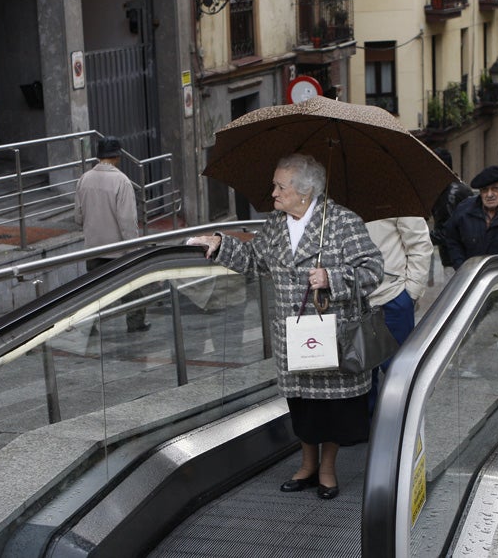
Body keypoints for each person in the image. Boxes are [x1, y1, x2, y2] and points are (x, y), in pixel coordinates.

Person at [188, 154, 383, 501]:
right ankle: (307, 465)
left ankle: (327, 469)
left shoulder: (341, 222)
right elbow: (254, 260)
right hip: (292, 336)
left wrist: (332, 277)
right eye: (275, 185)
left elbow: (373, 269)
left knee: (330, 410)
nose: (273, 193)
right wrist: (220, 244)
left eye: (280, 186)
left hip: (331, 336)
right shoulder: (277, 224)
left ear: (304, 191)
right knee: (302, 406)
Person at [73, 136, 148, 332]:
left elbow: (78, 217)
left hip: (93, 248)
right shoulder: (121, 181)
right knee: (130, 288)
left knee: (94, 291)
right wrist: (134, 248)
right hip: (117, 250)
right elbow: (127, 221)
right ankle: (135, 324)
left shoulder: (84, 179)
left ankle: (89, 328)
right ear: (117, 157)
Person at [364, 217, 433, 410]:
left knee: (399, 376)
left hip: (391, 298)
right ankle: (368, 435)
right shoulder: (334, 196)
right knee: (361, 381)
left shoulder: (395, 191)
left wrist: (410, 293)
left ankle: (401, 433)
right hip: (353, 302)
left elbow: (419, 242)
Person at [430, 148, 473, 269]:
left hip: (456, 260)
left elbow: (448, 231)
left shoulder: (450, 194)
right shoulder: (454, 187)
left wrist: (423, 238)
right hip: (457, 258)